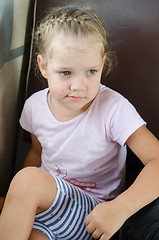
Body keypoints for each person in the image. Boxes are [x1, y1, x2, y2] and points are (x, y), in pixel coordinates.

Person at [0, 5, 159, 240]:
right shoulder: (34, 106)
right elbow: (36, 153)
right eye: (65, 73)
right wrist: (18, 199)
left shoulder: (113, 109)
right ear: (44, 66)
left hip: (93, 214)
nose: (79, 86)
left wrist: (121, 208)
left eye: (91, 71)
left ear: (102, 64)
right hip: (50, 209)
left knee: (26, 182)